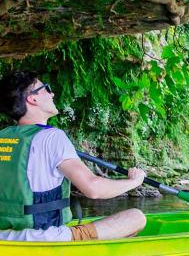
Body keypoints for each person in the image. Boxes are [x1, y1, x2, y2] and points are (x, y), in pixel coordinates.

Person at [0, 71, 147, 242]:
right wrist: (134, 182)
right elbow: (93, 189)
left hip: (4, 236)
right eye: (46, 89)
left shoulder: (3, 136)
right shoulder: (52, 137)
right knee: (136, 217)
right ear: (32, 99)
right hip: (43, 238)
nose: (52, 93)